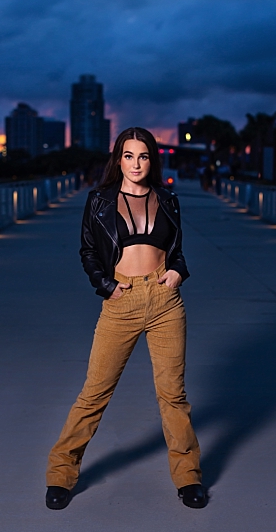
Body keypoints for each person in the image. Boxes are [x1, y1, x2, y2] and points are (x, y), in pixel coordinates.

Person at [45, 127, 206, 510]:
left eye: (144, 156)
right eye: (129, 156)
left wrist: (178, 273)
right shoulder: (99, 200)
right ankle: (61, 474)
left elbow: (177, 249)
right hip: (122, 301)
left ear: (153, 159)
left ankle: (188, 477)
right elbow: (87, 250)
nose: (136, 164)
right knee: (94, 392)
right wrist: (107, 286)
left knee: (173, 396)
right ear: (118, 159)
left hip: (165, 302)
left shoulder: (168, 199)